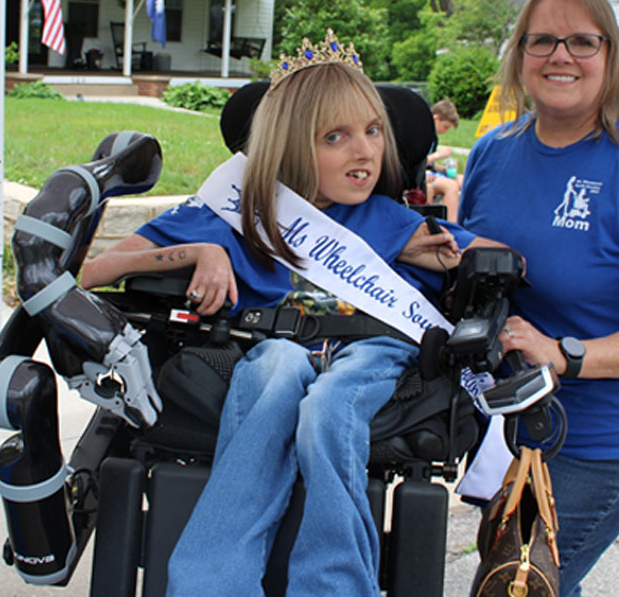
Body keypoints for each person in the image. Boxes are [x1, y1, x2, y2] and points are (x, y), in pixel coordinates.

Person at [80, 36, 490, 597]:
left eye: (373, 131)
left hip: (374, 353)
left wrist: (454, 258)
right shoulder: (230, 214)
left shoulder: (391, 218)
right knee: (277, 372)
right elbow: (95, 270)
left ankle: (334, 586)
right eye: (335, 138)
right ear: (289, 144)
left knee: (330, 405)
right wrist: (199, 252)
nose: (365, 152)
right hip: (270, 348)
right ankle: (211, 585)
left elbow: (497, 259)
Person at [457, 0, 619, 597]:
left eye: (581, 41)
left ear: (611, 56)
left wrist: (565, 352)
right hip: (502, 430)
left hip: (598, 441)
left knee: (512, 589)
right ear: (520, 54)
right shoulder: (493, 151)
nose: (560, 56)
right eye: (541, 40)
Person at [425, 98, 463, 221]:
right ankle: (452, 226)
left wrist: (444, 169)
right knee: (451, 186)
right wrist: (438, 155)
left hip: (431, 173)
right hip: (422, 176)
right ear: (436, 118)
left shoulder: (433, 138)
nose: (446, 131)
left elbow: (431, 165)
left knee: (464, 179)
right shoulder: (421, 134)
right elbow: (416, 163)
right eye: (445, 126)